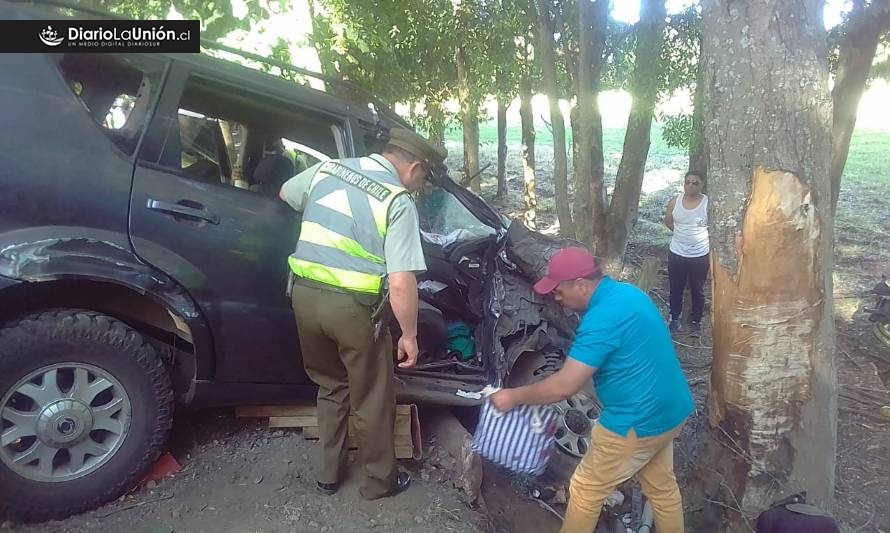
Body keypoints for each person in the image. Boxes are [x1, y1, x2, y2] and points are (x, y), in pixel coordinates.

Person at [279, 128, 446, 500]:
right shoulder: (397, 200)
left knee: (330, 384)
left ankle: (327, 474)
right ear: (414, 167)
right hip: (352, 308)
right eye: (423, 179)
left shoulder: (328, 170)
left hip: (304, 297)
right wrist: (409, 335)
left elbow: (285, 194)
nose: (421, 187)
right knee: (371, 395)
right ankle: (379, 482)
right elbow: (401, 281)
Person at [489, 247, 693, 533]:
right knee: (661, 487)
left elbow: (565, 386)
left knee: (586, 489)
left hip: (635, 421)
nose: (556, 298)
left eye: (558, 291)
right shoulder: (628, 295)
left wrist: (513, 396)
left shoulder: (601, 319)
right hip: (671, 410)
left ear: (580, 284)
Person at [663, 170, 710, 336]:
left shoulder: (707, 204)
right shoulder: (675, 201)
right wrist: (680, 236)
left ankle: (696, 321)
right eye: (687, 182)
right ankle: (674, 318)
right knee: (676, 288)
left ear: (702, 184)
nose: (690, 186)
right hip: (677, 253)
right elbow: (668, 220)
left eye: (695, 183)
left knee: (698, 289)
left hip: (700, 255)